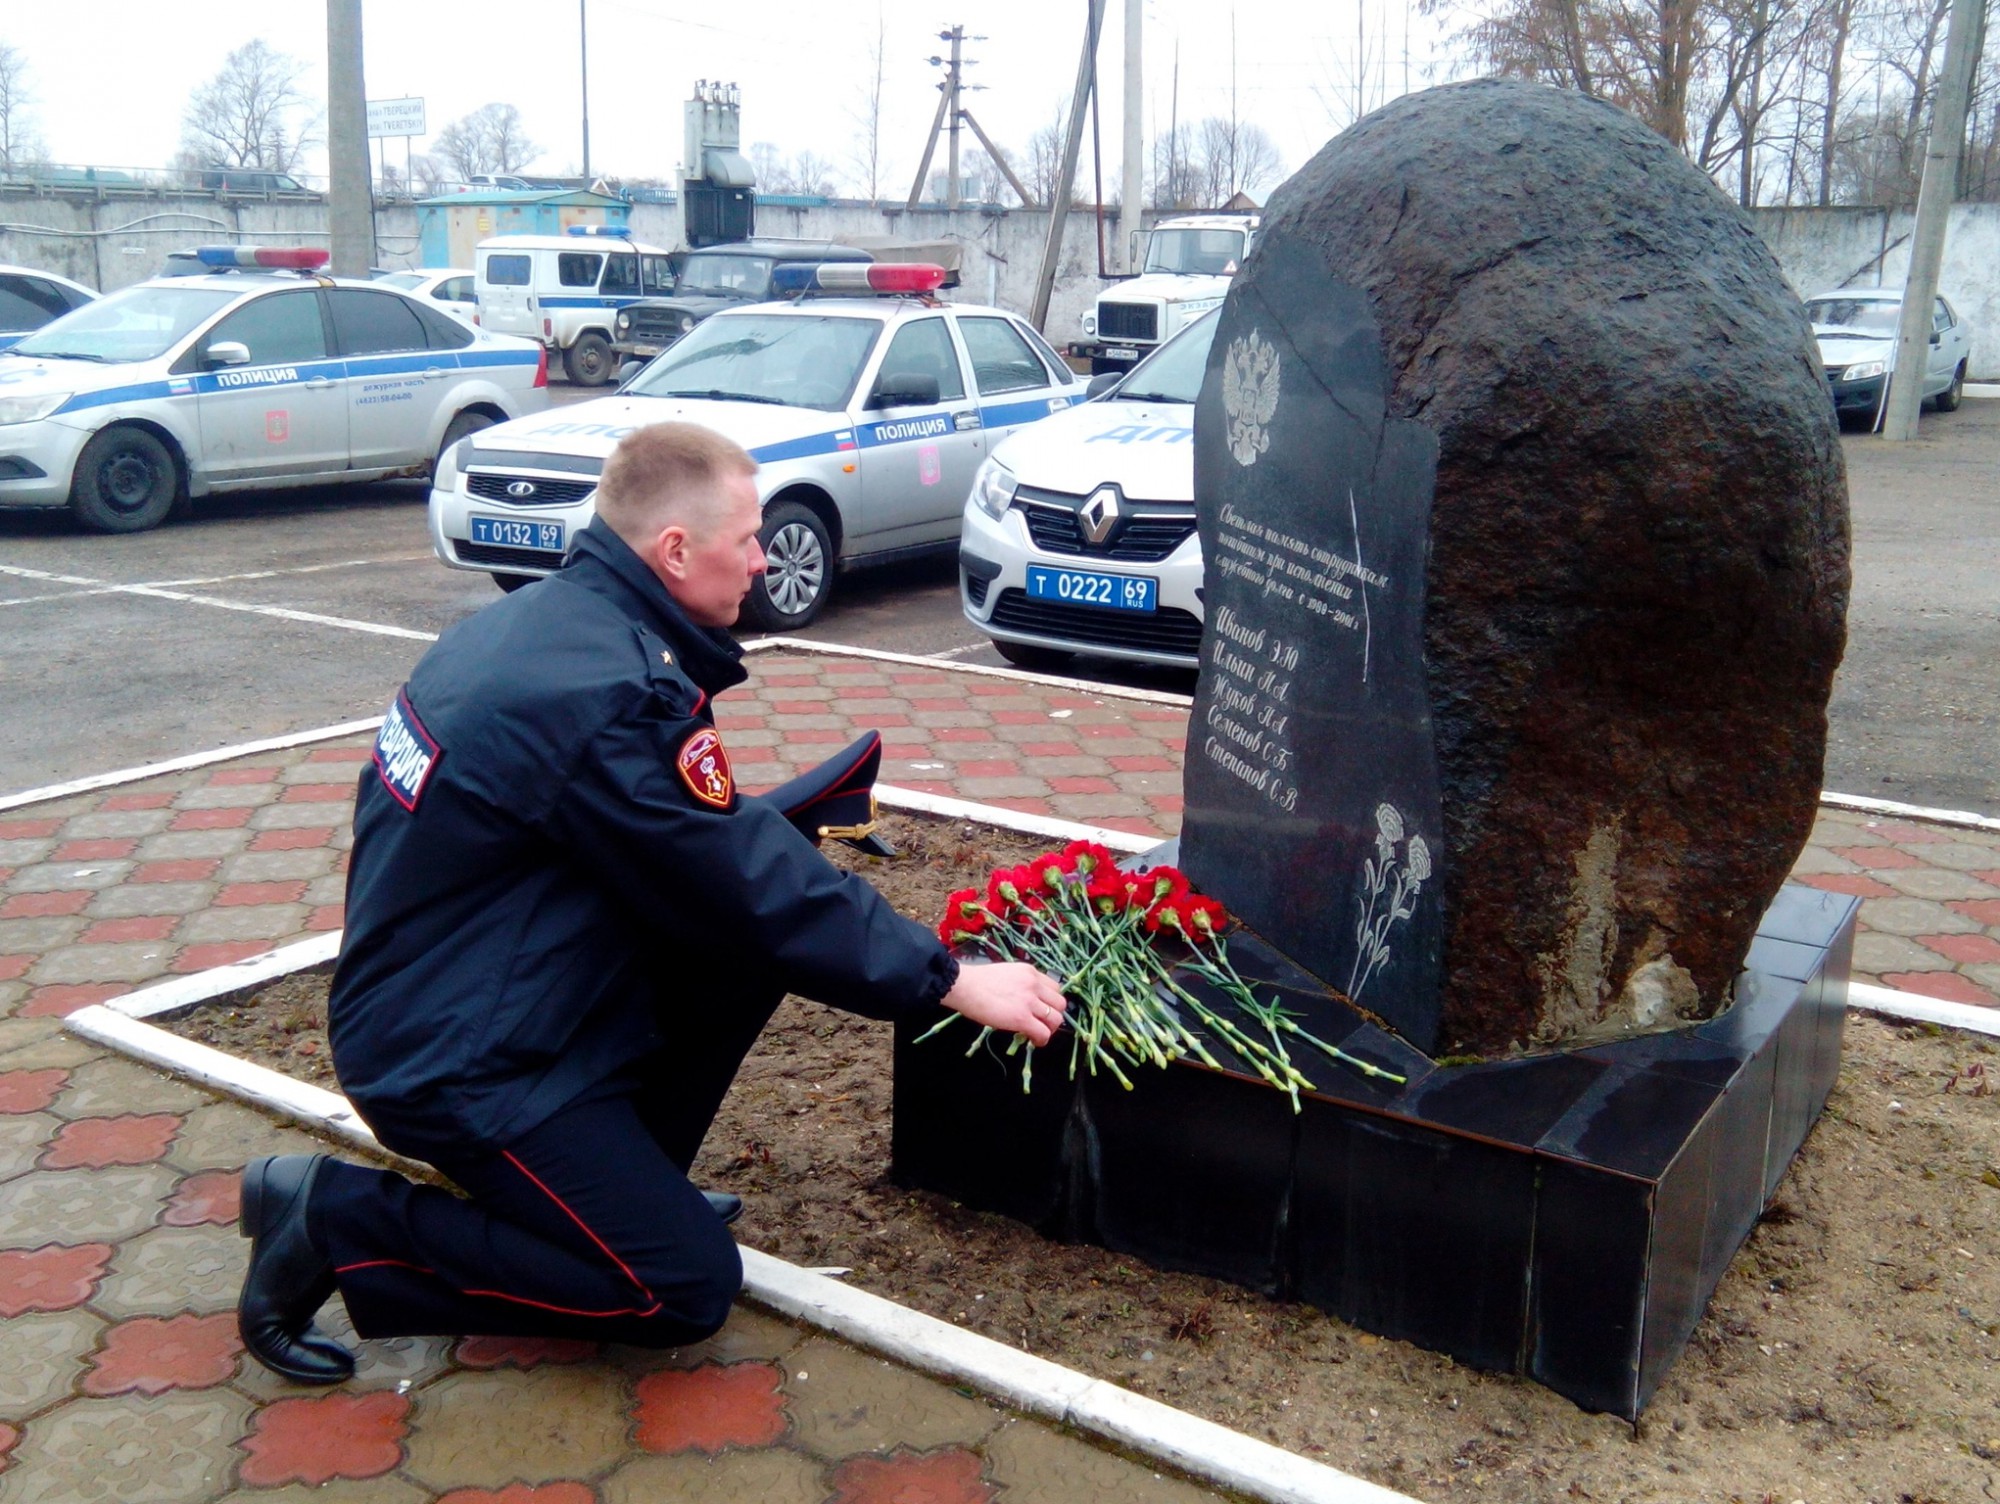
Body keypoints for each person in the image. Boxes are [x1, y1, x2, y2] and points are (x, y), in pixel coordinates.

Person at [235, 422, 1068, 1384]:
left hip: (470, 988)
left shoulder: (548, 626)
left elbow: (682, 857)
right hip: (453, 1057)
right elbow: (744, 880)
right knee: (675, 1285)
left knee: (735, 949)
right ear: (674, 549)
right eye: (748, 537)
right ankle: (337, 1222)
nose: (763, 559)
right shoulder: (604, 691)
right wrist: (949, 979)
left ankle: (617, 1188)